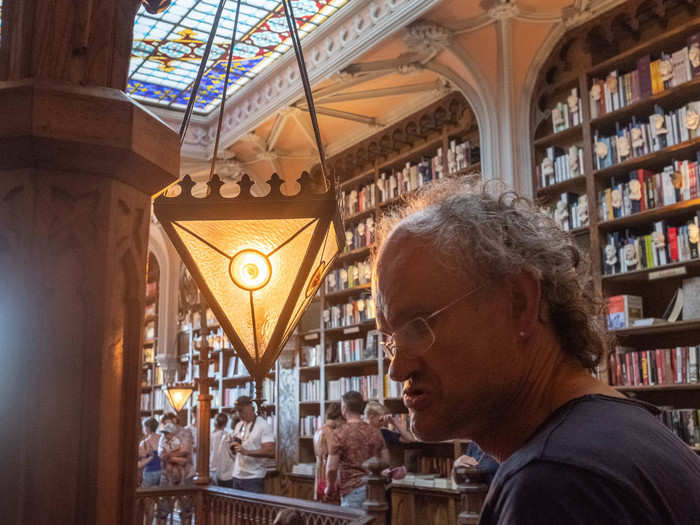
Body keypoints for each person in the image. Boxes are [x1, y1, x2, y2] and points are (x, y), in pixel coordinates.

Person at [372, 179, 700, 524]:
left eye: (419, 325)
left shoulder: (557, 483)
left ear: (520, 303)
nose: (397, 369)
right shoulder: (625, 434)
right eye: (391, 340)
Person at [325, 391, 389, 509]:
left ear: (344, 408)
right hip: (376, 491)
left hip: (352, 490)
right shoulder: (376, 432)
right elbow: (385, 461)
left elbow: (331, 468)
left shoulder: (339, 433)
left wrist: (330, 487)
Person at [229, 395, 275, 493]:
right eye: (237, 411)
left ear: (251, 408)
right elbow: (237, 448)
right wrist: (232, 447)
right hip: (237, 475)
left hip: (253, 477)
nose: (239, 414)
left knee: (253, 508)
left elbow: (270, 451)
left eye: (241, 411)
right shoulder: (239, 425)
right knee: (236, 508)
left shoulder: (263, 425)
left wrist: (246, 452)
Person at [313, 402, 345, 502]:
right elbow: (334, 453)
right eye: (344, 421)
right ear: (339, 418)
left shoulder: (318, 431)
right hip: (328, 476)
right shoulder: (330, 432)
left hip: (319, 473)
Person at [210, 412, 234, 487]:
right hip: (227, 472)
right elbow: (232, 454)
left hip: (212, 470)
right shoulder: (227, 436)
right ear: (226, 423)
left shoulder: (208, 435)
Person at [138, 417, 162, 488]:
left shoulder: (145, 442)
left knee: (143, 496)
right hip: (162, 471)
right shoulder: (162, 438)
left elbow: (141, 461)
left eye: (143, 427)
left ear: (147, 428)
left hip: (149, 472)